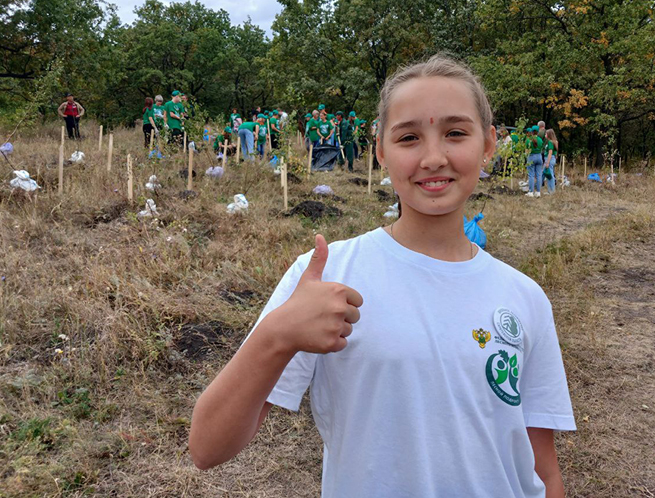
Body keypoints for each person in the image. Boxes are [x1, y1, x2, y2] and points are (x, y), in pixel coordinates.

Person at [189, 54, 575, 498]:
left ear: (488, 144)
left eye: (455, 133)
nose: (433, 157)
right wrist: (277, 334)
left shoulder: (525, 297)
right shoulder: (326, 277)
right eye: (409, 137)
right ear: (380, 150)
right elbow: (207, 448)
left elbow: (543, 469)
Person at [526, 125, 544, 197]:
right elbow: (541, 148)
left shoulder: (528, 140)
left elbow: (527, 150)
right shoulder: (540, 140)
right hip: (539, 157)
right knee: (539, 175)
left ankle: (531, 192)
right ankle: (538, 192)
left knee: (531, 175)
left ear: (532, 132)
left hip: (531, 156)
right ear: (538, 132)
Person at [543, 129, 559, 193]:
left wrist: (547, 162)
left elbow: (550, 152)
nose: (545, 135)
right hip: (552, 159)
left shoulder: (550, 142)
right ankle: (550, 190)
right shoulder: (555, 142)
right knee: (549, 175)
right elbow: (555, 153)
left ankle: (551, 191)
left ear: (549, 135)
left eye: (546, 134)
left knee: (550, 176)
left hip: (549, 159)